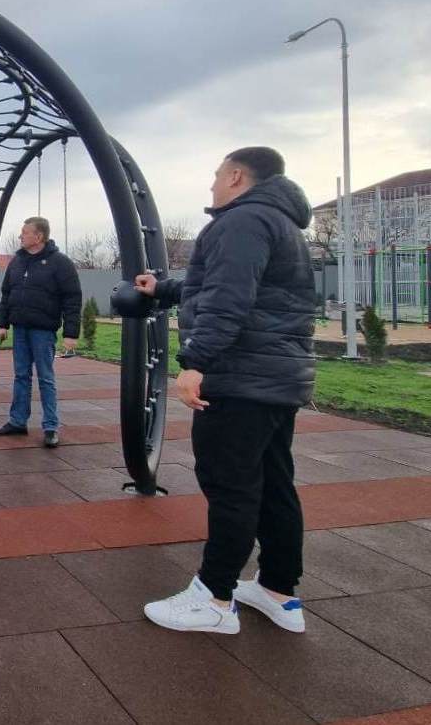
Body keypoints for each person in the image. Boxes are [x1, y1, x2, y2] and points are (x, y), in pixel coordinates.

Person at [137, 146, 316, 635]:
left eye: (217, 175)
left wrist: (196, 362)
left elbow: (227, 298)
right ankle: (279, 590)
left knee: (231, 486)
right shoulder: (282, 224)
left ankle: (214, 598)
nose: (212, 185)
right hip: (276, 378)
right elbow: (220, 283)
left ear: (237, 176)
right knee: (275, 484)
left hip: (240, 378)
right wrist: (164, 287)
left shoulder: (241, 221)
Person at [0, 217, 81, 448]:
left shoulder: (60, 263)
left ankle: (51, 427)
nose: (21, 236)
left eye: (25, 233)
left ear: (38, 236)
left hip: (43, 331)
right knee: (21, 376)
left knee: (46, 378)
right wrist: (2, 324)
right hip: (20, 328)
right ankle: (18, 421)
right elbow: (7, 294)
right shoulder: (17, 262)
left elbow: (72, 299)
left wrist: (71, 333)